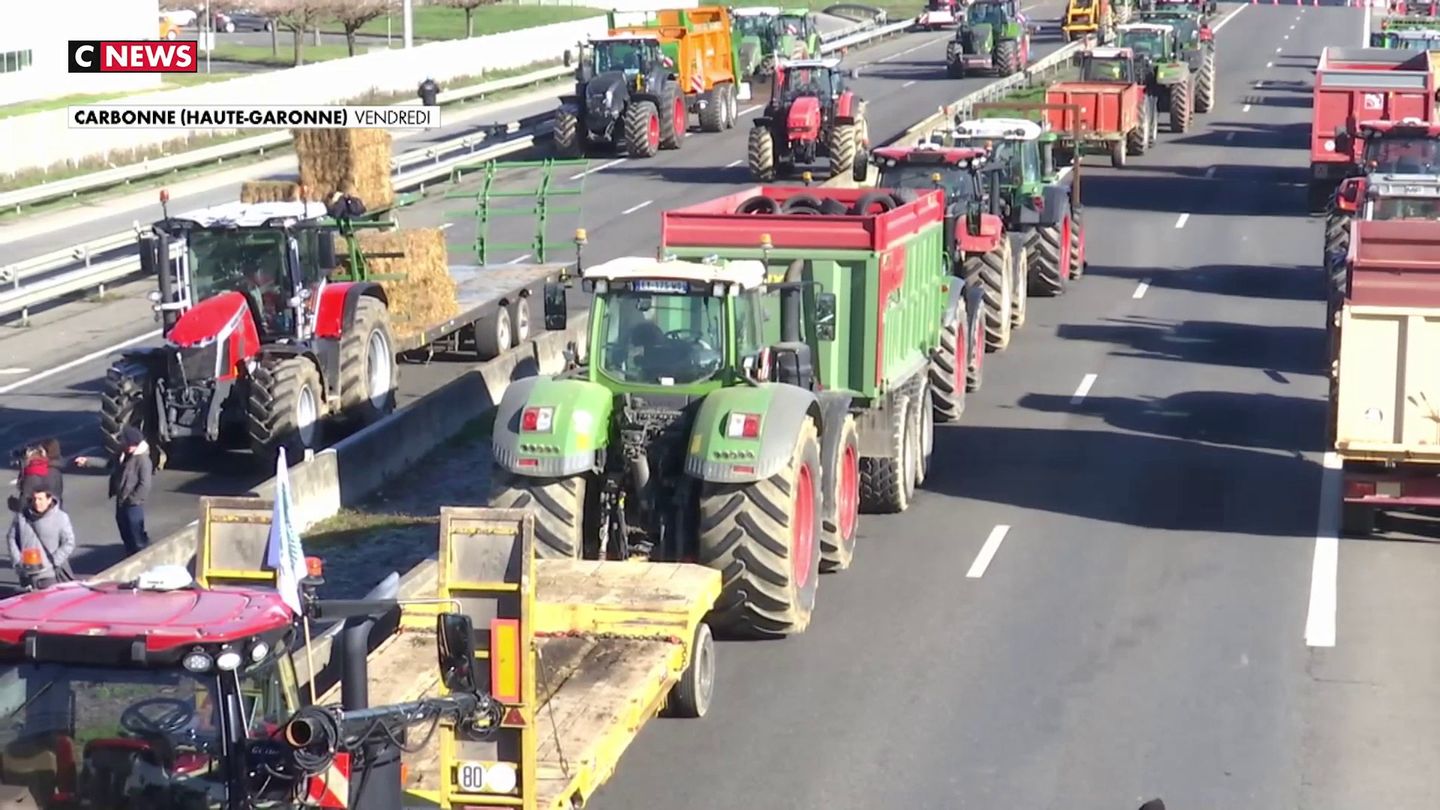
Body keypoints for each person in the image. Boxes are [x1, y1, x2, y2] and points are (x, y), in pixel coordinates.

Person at [6, 487, 76, 590]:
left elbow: (69, 542)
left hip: (48, 576)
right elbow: (11, 538)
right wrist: (17, 561)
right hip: (26, 575)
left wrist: (54, 561)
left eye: (40, 499)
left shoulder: (60, 518)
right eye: (34, 499)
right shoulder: (22, 517)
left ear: (49, 499)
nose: (36, 502)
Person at [109, 427, 153, 556]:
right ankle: (130, 553)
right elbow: (109, 465)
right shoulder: (122, 455)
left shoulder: (143, 460)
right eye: (128, 444)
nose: (130, 447)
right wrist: (88, 462)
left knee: (136, 532)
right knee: (124, 529)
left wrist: (133, 499)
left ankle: (140, 555)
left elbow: (145, 484)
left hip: (133, 504)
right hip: (121, 500)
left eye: (133, 445)